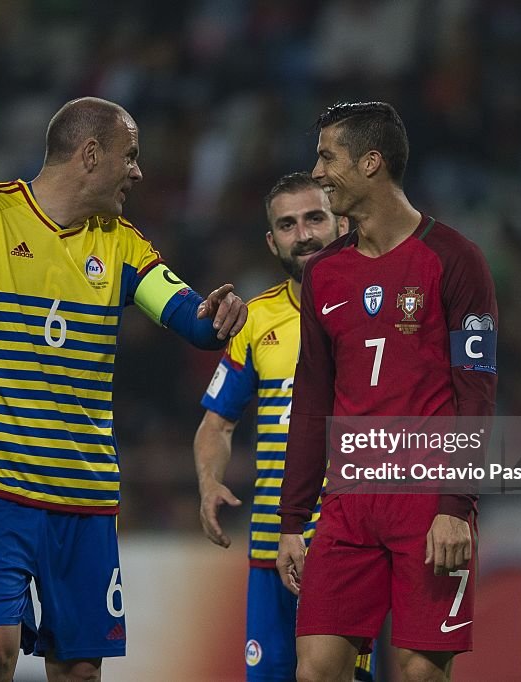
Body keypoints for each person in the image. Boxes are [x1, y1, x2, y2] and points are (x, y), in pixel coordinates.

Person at [0, 97, 247, 682]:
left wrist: (215, 317)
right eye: (129, 156)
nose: (138, 172)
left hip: (83, 495)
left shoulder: (122, 243)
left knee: (79, 671)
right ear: (91, 155)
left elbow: (187, 315)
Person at [276, 102, 498, 682]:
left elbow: (477, 396)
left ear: (371, 163)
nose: (317, 171)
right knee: (316, 670)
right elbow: (312, 401)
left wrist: (456, 507)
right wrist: (291, 520)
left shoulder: (455, 260)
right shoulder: (325, 273)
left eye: (327, 156)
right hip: (348, 504)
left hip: (428, 504)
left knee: (419, 672)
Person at [193, 172, 372, 682]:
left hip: (347, 544)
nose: (305, 235)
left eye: (315, 218)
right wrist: (208, 482)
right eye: (288, 225)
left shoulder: (375, 309)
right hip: (273, 546)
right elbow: (216, 424)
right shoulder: (255, 319)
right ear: (272, 241)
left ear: (341, 221)